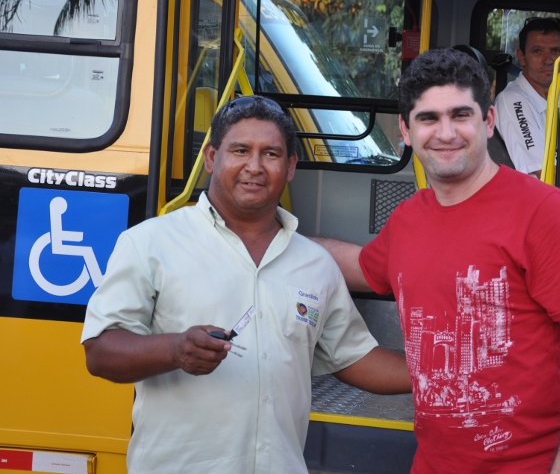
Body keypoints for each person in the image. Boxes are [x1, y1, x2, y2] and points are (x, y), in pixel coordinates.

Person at [313, 49, 560, 474]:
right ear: (405, 130)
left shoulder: (543, 212)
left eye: (460, 115)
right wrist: (269, 235)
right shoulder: (408, 219)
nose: (446, 133)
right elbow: (360, 266)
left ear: (488, 121)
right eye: (428, 118)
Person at [81, 96, 411, 474]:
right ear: (211, 158)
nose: (254, 167)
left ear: (290, 167)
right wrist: (174, 349)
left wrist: (448, 373)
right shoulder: (150, 243)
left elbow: (355, 358)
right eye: (240, 150)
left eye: (271, 154)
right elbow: (100, 352)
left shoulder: (315, 264)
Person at [494, 17, 560, 177]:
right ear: (522, 57)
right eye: (537, 51)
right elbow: (546, 174)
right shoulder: (512, 101)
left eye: (555, 51)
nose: (548, 60)